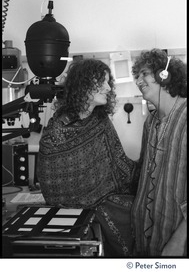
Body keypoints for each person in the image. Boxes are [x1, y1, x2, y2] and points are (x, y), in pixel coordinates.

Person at [36, 58, 138, 257]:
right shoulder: (58, 130)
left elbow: (118, 163)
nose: (108, 88)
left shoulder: (100, 119)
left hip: (106, 200)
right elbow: (52, 185)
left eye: (109, 82)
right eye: (103, 82)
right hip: (73, 217)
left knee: (143, 208)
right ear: (83, 85)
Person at [131, 48, 187, 257]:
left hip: (176, 240)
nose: (138, 81)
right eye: (137, 76)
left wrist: (178, 241)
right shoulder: (150, 122)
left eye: (144, 74)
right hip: (145, 235)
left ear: (163, 75)